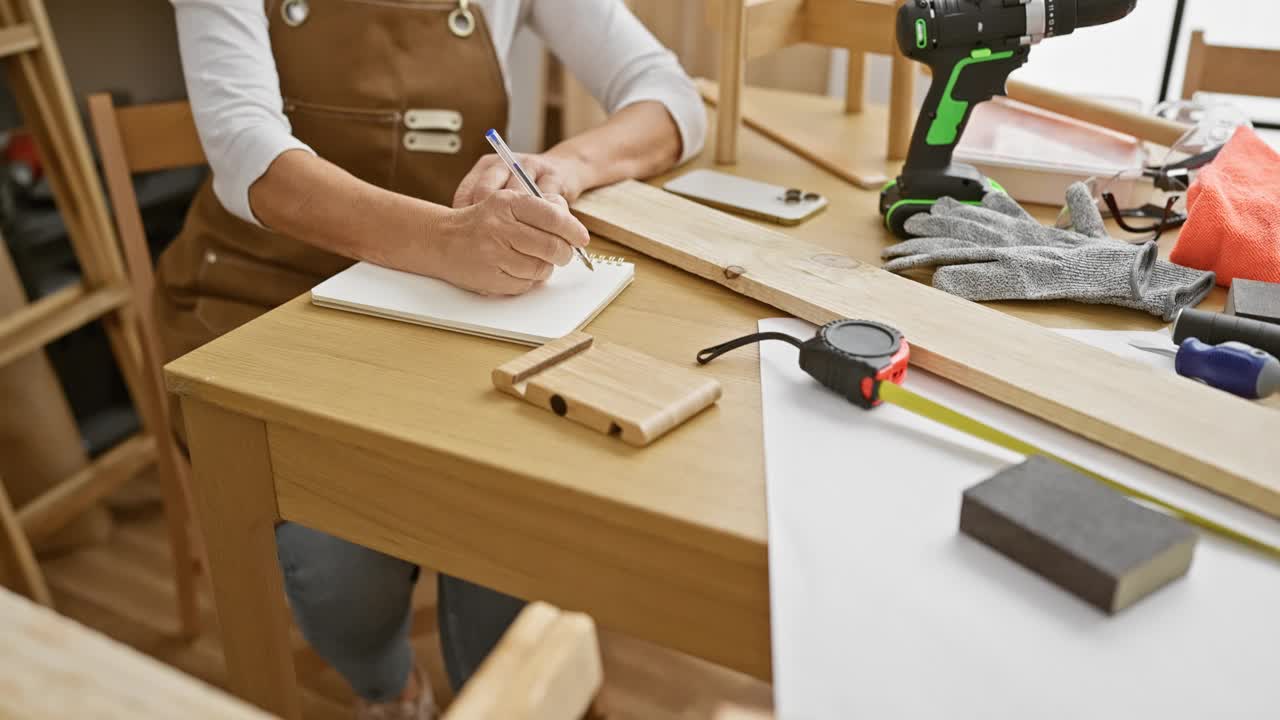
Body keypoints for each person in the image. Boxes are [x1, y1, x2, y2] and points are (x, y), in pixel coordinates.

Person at [161, 1, 705, 718]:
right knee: (335, 566)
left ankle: (506, 698)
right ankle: (388, 690)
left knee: (501, 521)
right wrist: (446, 242)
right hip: (264, 294)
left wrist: (560, 168)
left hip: (450, 302)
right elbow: (246, 153)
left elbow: (671, 99)